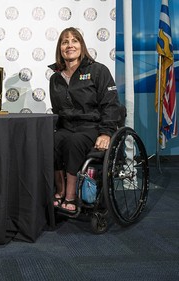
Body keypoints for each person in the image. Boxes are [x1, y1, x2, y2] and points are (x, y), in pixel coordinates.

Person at [48, 27, 121, 214]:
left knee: (74, 142)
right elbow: (57, 111)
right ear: (60, 48)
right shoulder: (56, 78)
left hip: (92, 127)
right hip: (67, 127)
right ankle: (60, 189)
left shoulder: (98, 71)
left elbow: (111, 105)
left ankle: (70, 195)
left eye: (74, 40)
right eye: (65, 42)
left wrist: (106, 132)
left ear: (81, 45)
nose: (70, 45)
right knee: (50, 141)